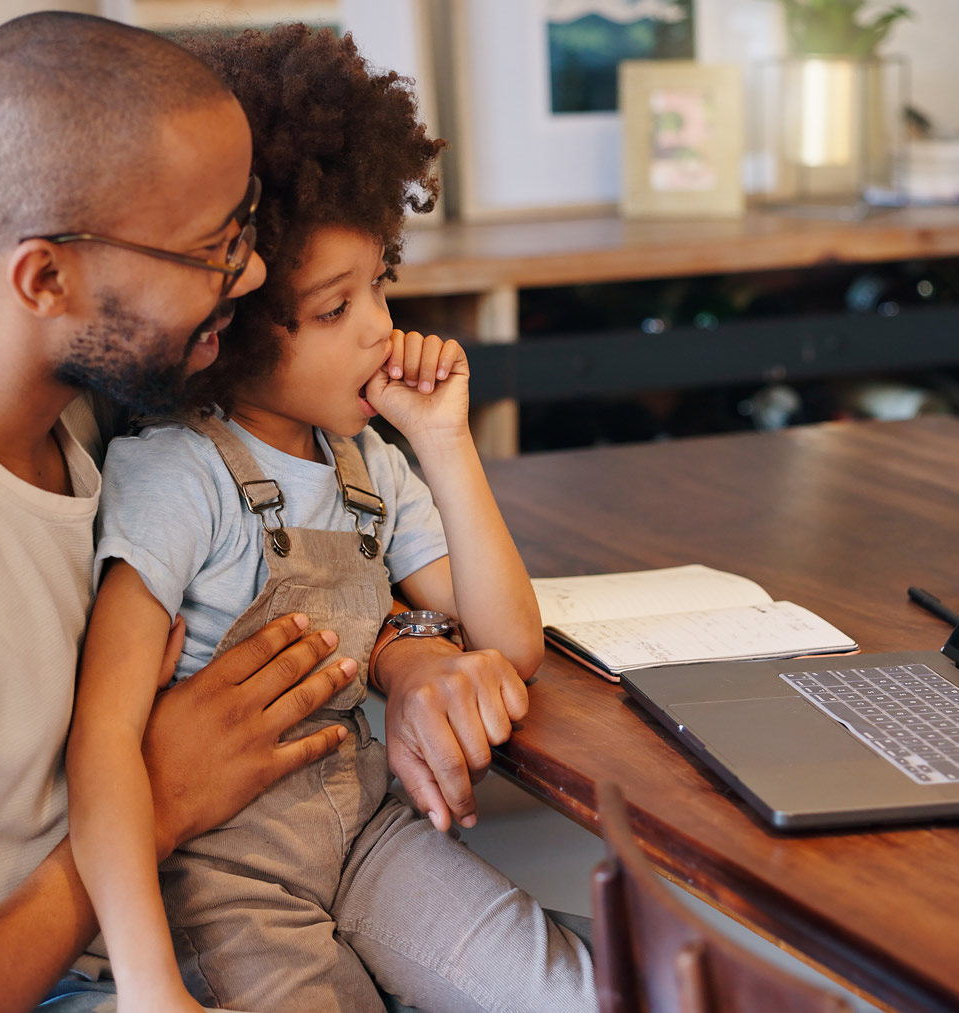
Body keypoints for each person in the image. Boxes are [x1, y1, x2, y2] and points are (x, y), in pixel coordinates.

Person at [0, 13, 505, 1012]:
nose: (246, 277)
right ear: (45, 277)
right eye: (213, 247)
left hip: (207, 897)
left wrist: (408, 641)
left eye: (242, 229)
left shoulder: (56, 383)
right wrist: (154, 802)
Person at [66, 25, 594, 1013]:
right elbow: (101, 742)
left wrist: (446, 441)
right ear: (230, 329)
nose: (381, 329)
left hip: (366, 838)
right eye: (334, 307)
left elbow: (510, 640)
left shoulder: (370, 464)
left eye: (381, 285)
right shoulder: (175, 475)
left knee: (581, 987)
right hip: (227, 884)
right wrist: (148, 983)